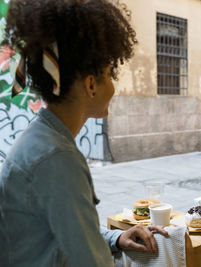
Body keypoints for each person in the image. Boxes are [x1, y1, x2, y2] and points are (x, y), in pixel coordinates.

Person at [0, 1, 169, 266]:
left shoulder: (44, 139)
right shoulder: (57, 157)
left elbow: (61, 232)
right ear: (91, 84)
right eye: (110, 73)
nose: (114, 86)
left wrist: (115, 238)